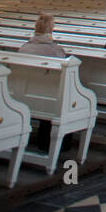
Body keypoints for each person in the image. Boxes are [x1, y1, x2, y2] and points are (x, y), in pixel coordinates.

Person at [18, 14, 66, 152]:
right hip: (48, 96)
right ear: (51, 29)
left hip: (23, 93)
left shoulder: (24, 48)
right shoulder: (56, 51)